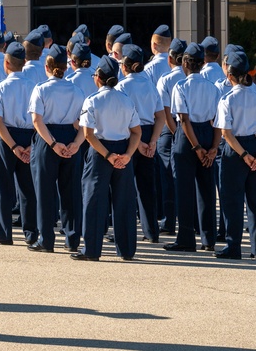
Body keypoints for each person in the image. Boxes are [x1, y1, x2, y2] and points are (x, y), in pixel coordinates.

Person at [72, 57, 141, 261]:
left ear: (98, 78)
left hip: (101, 151)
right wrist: (127, 155)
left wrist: (108, 155)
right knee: (125, 202)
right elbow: (136, 132)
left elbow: (88, 134)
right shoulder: (126, 99)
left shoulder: (92, 100)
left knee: (94, 201)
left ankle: (92, 250)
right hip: (123, 150)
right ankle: (127, 249)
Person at [29, 44, 85, 252]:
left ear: (47, 66)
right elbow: (84, 122)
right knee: (71, 192)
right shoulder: (77, 90)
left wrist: (52, 143)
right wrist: (76, 144)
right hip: (70, 137)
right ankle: (72, 239)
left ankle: (46, 239)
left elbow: (37, 120)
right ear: (66, 67)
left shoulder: (41, 89)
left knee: (44, 192)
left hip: (47, 139)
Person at [166, 42, 221, 252]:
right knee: (207, 190)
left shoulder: (180, 86)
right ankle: (208, 239)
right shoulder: (212, 88)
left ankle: (186, 238)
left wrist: (196, 147)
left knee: (184, 189)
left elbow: (184, 120)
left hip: (187, 138)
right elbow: (217, 120)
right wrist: (213, 148)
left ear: (186, 63)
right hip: (208, 134)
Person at [215, 50, 256, 260]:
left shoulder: (227, 99)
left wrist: (244, 154)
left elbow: (226, 133)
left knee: (232, 201)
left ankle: (234, 247)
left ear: (229, 75)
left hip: (235, 151)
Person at [0, 41, 38, 246]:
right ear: (24, 63)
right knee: (28, 189)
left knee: (2, 188)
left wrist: (13, 146)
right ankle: (31, 233)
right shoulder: (34, 87)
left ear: (6, 63)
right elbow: (38, 118)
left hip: (6, 138)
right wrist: (30, 145)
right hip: (29, 136)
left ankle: (3, 232)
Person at [114, 44, 166, 244]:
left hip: (128, 135)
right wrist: (152, 140)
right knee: (147, 187)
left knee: (125, 188)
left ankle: (127, 232)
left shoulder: (122, 86)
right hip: (148, 132)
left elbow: (121, 117)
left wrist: (139, 143)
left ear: (125, 65)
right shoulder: (149, 85)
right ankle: (151, 231)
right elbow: (160, 116)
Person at [155, 38, 188, 236]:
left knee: (168, 178)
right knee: (188, 179)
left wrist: (176, 132)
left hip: (171, 130)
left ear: (170, 59)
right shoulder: (190, 77)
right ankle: (190, 221)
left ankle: (169, 222)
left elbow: (166, 112)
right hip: (190, 129)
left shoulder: (166, 80)